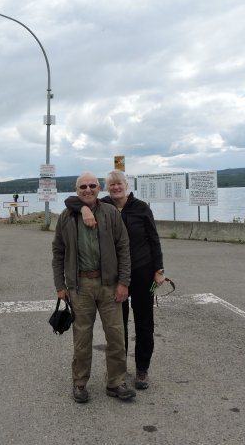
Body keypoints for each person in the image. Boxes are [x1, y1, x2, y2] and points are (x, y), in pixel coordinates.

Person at [65, 169, 165, 390]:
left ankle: (142, 369)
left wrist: (159, 269)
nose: (116, 187)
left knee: (144, 322)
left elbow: (154, 239)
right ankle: (120, 370)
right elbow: (71, 200)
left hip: (142, 272)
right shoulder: (103, 205)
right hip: (113, 276)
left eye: (119, 184)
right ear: (106, 188)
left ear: (126, 185)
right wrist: (83, 208)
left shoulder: (141, 208)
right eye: (112, 184)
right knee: (118, 326)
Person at [52, 172, 136, 403]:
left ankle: (116, 382)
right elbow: (58, 252)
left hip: (110, 285)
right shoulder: (66, 216)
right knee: (81, 339)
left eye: (92, 186)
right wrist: (60, 285)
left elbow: (123, 248)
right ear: (76, 190)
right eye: (83, 187)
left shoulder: (110, 213)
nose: (87, 190)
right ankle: (79, 383)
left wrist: (124, 282)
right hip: (80, 286)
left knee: (116, 336)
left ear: (99, 189)